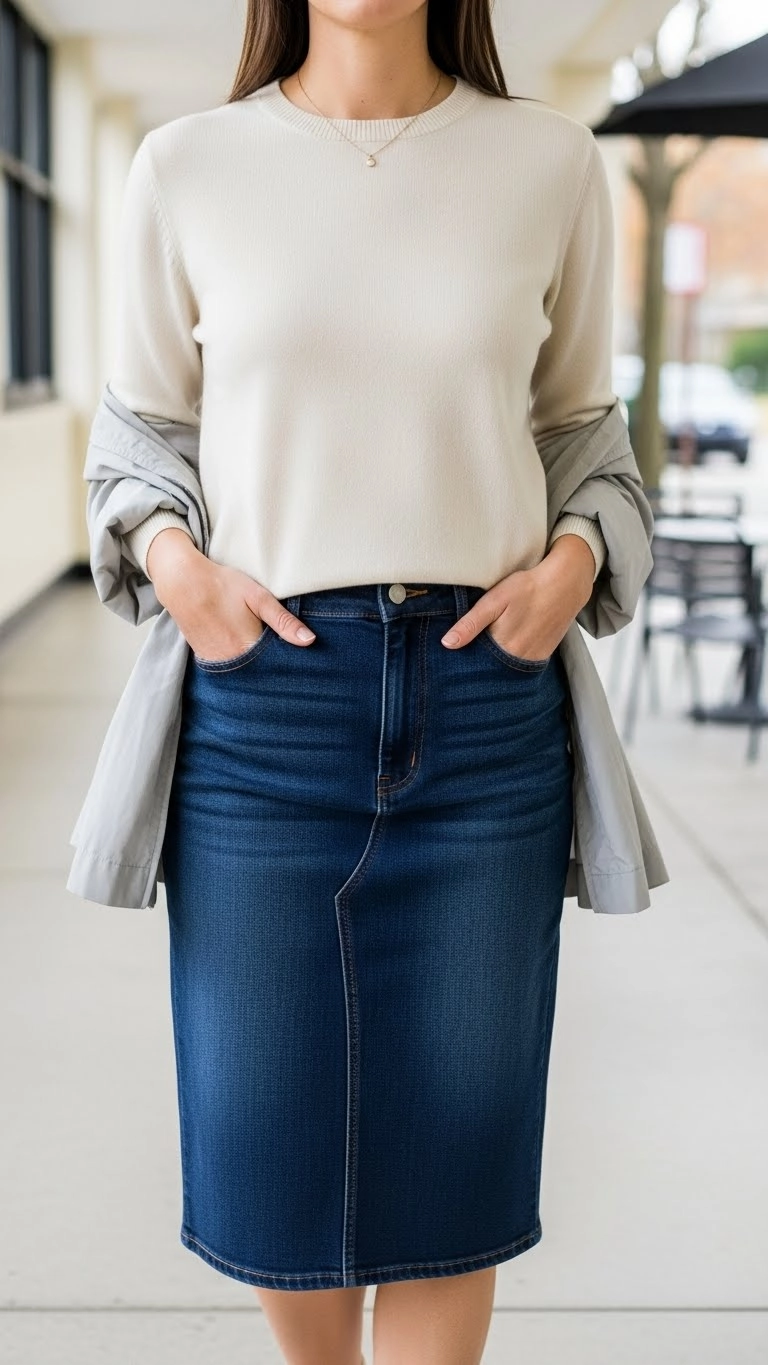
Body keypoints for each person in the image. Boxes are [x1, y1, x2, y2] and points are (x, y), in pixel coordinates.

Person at [106, 2, 649, 1362]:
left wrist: (577, 561)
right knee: (269, 1135)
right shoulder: (185, 165)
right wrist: (179, 569)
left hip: (485, 707)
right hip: (263, 711)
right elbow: (141, 435)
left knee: (451, 1153)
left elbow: (586, 426)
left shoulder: (550, 162)